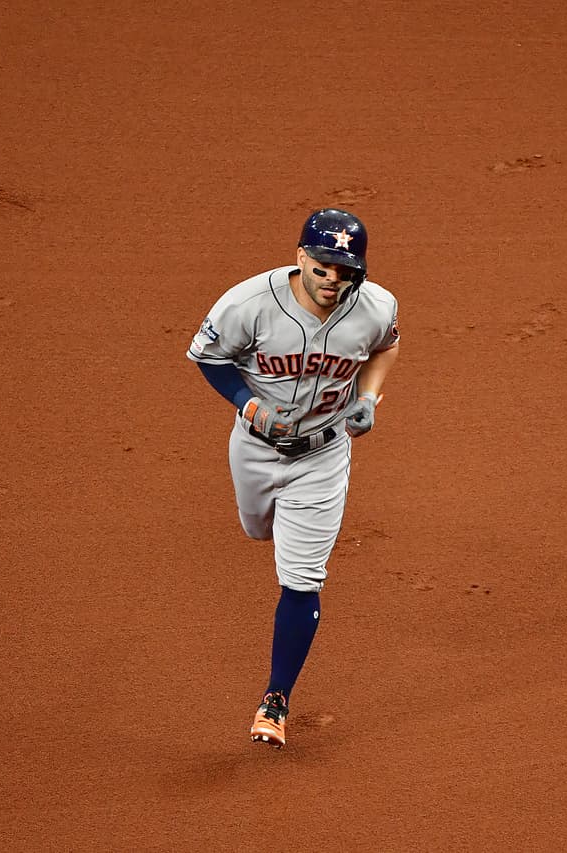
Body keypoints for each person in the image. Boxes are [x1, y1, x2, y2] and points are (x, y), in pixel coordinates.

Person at [186, 208, 400, 749]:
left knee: (302, 577)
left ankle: (275, 701)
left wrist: (370, 398)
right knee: (257, 531)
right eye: (324, 266)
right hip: (255, 450)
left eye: (346, 270)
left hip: (323, 457)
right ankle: (276, 527)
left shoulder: (375, 306)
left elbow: (386, 345)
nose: (334, 280)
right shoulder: (248, 304)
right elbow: (210, 358)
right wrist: (249, 405)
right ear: (302, 257)